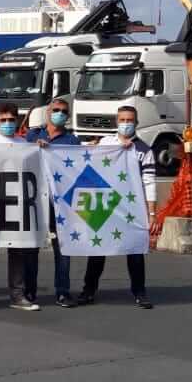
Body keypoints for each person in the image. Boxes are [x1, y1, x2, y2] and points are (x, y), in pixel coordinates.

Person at [77, 105, 157, 309]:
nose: (126, 124)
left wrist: (151, 213)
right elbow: (86, 159)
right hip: (105, 204)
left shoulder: (144, 150)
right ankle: (88, 291)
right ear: (116, 121)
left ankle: (139, 292)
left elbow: (149, 182)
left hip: (132, 207)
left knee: (136, 251)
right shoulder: (105, 143)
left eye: (130, 120)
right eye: (122, 120)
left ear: (136, 123)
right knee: (97, 251)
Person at [0, 102, 40, 312]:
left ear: (17, 120)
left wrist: (42, 148)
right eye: (3, 120)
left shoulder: (24, 144)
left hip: (17, 203)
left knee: (17, 250)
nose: (8, 123)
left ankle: (17, 295)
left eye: (11, 119)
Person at [28, 95, 80, 306]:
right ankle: (29, 291)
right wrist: (34, 147)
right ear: (48, 112)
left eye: (64, 112)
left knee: (63, 248)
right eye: (56, 110)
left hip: (60, 202)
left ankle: (63, 291)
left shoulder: (72, 141)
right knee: (31, 247)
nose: (60, 114)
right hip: (35, 200)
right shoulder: (32, 135)